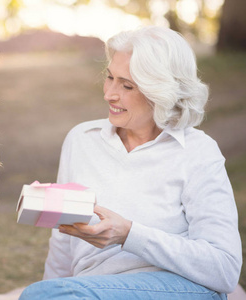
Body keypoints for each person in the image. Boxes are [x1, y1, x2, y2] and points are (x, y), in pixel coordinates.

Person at [20, 26, 242, 299]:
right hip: (92, 288)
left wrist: (129, 234)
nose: (110, 94)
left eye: (126, 85)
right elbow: (63, 242)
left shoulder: (198, 152)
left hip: (178, 287)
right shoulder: (82, 140)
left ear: (161, 91)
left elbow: (225, 268)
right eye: (109, 78)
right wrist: (50, 291)